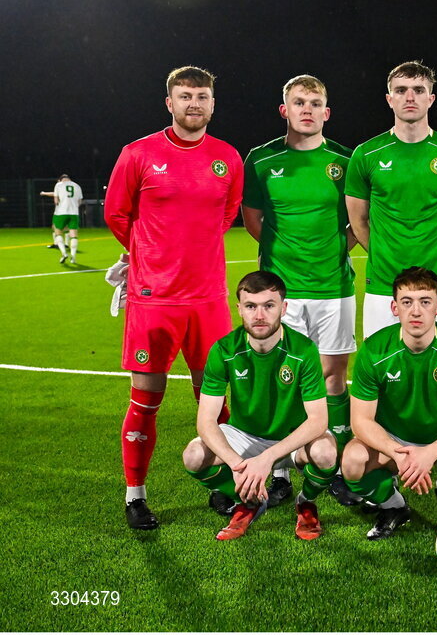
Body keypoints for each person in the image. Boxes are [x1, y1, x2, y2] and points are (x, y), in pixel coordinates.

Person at [104, 66, 243, 530]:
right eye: (185, 96)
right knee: (147, 397)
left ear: (212, 103)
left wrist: (192, 255)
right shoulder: (138, 153)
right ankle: (135, 495)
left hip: (208, 300)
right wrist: (150, 258)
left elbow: (226, 214)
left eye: (202, 96)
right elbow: (117, 214)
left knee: (215, 397)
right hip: (154, 298)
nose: (194, 104)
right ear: (169, 102)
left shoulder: (226, 158)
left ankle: (222, 485)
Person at [241, 74, 358, 510]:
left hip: (333, 287)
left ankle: (338, 468)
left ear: (326, 113)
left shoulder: (345, 161)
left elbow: (356, 222)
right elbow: (253, 219)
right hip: (279, 292)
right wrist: (279, 263)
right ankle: (280, 471)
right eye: (298, 102)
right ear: (284, 109)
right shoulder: (260, 159)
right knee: (280, 378)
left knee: (332, 377)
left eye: (314, 103)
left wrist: (331, 253)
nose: (306, 109)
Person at [342, 267, 437, 540]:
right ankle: (394, 507)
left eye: (425, 302)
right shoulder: (375, 349)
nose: (416, 311)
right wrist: (399, 453)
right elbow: (361, 421)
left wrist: (431, 452)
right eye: (407, 302)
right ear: (394, 307)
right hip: (395, 441)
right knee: (353, 461)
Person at [182, 271, 338, 540]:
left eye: (269, 305)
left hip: (293, 437)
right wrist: (237, 465)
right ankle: (249, 501)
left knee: (325, 452)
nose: (259, 315)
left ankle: (306, 501)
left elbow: (318, 421)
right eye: (251, 306)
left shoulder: (303, 350)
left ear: (283, 307)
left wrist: (265, 460)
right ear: (240, 309)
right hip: (245, 436)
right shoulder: (224, 350)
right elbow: (206, 421)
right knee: (194, 456)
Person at [345, 61, 437, 337]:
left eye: (418, 90)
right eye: (401, 90)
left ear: (431, 99)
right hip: (384, 286)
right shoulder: (366, 155)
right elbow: (358, 221)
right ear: (389, 99)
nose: (409, 97)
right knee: (383, 371)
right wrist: (384, 252)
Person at [39, 174, 83, 264]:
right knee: (73, 234)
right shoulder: (77, 186)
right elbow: (80, 201)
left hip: (61, 213)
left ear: (60, 180)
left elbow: (56, 200)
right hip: (74, 213)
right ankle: (73, 256)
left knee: (57, 232)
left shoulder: (59, 185)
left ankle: (63, 253)